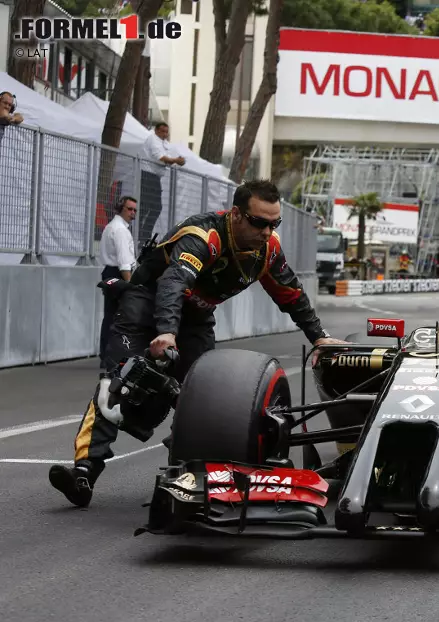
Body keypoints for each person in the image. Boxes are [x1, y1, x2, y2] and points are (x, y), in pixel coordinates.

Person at [49, 179, 347, 508]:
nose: (266, 232)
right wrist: (166, 332)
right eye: (259, 223)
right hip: (146, 306)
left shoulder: (268, 250)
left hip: (196, 318)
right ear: (236, 214)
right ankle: (84, 473)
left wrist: (318, 336)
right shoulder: (204, 236)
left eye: (274, 224)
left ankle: (186, 472)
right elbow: (173, 284)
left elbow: (290, 294)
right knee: (116, 386)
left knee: (206, 394)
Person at [97, 196, 138, 363]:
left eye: (135, 210)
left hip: (109, 273)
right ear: (121, 208)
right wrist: (131, 285)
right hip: (118, 274)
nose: (133, 213)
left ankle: (106, 354)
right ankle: (112, 355)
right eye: (129, 209)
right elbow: (124, 262)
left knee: (110, 315)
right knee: (119, 317)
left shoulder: (111, 226)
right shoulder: (120, 230)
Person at [139, 122, 186, 246]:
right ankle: (142, 235)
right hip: (148, 175)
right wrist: (176, 160)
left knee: (151, 207)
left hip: (155, 177)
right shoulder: (153, 140)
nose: (165, 134)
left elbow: (168, 158)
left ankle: (143, 235)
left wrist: (176, 160)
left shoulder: (163, 143)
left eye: (166, 131)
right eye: (162, 131)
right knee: (151, 207)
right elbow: (161, 157)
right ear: (156, 130)